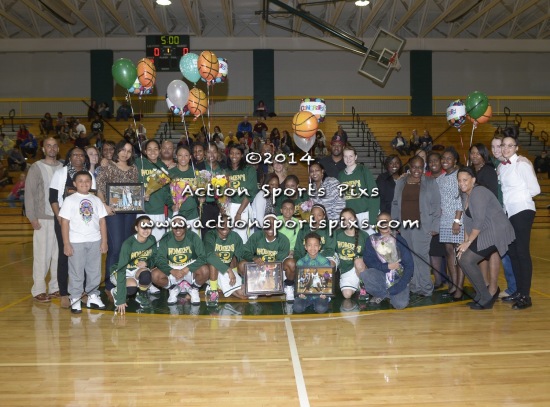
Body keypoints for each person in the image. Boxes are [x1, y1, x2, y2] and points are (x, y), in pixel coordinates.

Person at [456, 167, 516, 310]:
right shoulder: (465, 195)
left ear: (473, 180)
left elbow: (479, 221)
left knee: (466, 259)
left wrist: (469, 242)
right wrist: (465, 242)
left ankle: (486, 297)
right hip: (484, 230)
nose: (461, 183)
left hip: (497, 231)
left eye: (465, 180)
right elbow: (468, 222)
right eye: (459, 180)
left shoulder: (478, 192)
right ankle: (481, 295)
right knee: (462, 258)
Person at [498, 129, 540, 309]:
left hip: (522, 210)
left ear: (516, 148)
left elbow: (535, 189)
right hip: (510, 213)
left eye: (510, 145)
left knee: (522, 252)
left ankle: (526, 295)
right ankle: (518, 291)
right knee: (513, 252)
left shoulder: (522, 164)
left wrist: (519, 198)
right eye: (503, 145)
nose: (506, 148)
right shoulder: (502, 167)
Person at [50, 147, 95, 308]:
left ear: (85, 158)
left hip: (83, 222)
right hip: (64, 221)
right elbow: (53, 198)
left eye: (81, 155)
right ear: (69, 157)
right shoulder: (60, 173)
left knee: (82, 256)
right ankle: (64, 292)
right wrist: (60, 218)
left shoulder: (88, 175)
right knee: (65, 255)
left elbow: (93, 196)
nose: (78, 157)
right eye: (74, 154)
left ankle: (81, 291)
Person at [59, 171, 108, 314]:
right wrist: (66, 243)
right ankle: (75, 298)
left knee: (94, 271)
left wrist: (104, 241)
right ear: (74, 184)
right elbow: (65, 222)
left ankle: (93, 295)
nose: (84, 183)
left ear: (91, 183)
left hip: (95, 240)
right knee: (76, 271)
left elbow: (102, 221)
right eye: (80, 180)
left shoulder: (96, 200)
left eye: (87, 180)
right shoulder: (70, 200)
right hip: (76, 241)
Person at [392, 155, 441, 297]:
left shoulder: (430, 182)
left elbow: (436, 205)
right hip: (405, 226)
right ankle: (414, 286)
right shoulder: (401, 181)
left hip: (423, 226)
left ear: (424, 167)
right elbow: (395, 203)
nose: (417, 170)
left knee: (421, 256)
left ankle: (425, 287)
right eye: (414, 167)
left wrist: (434, 226)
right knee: (410, 257)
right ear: (409, 167)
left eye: (420, 167)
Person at [96, 141, 139, 296]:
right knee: (115, 248)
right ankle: (109, 285)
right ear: (117, 151)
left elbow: (135, 190)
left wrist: (142, 196)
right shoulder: (107, 167)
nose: (125, 153)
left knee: (126, 248)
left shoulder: (133, 169)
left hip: (130, 212)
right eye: (122, 150)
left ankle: (122, 280)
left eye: (128, 151)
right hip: (113, 212)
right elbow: (100, 188)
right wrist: (103, 205)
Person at [25, 137, 63, 303]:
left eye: (55, 145)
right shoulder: (36, 167)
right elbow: (30, 194)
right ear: (43, 149)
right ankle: (39, 289)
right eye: (48, 145)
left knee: (58, 255)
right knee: (42, 255)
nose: (52, 148)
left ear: (58, 148)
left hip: (61, 219)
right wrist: (32, 217)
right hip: (43, 218)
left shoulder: (63, 167)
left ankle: (55, 287)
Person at [151, 215, 210, 306]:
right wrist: (171, 270)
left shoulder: (193, 236)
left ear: (186, 226)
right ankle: (173, 288)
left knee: (205, 270)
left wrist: (187, 268)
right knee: (154, 275)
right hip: (173, 268)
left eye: (180, 224)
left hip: (189, 268)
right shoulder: (166, 238)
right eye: (175, 224)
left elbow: (203, 257)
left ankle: (193, 289)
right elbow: (159, 259)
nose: (177, 227)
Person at [360, 212, 414, 309]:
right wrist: (387, 266)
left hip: (398, 278)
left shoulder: (400, 240)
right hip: (382, 275)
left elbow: (409, 265)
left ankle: (384, 294)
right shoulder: (371, 240)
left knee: (400, 304)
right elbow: (368, 261)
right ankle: (385, 294)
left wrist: (400, 286)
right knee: (366, 274)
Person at [238, 214, 294, 302]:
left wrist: (270, 285)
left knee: (291, 263)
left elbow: (278, 263)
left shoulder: (284, 240)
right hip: (258, 269)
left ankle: (289, 287)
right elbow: (244, 251)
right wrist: (254, 258)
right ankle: (253, 288)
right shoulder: (256, 236)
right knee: (242, 265)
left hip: (276, 271)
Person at [111, 216, 157, 315]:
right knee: (131, 289)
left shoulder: (152, 239)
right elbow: (121, 270)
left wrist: (147, 263)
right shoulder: (128, 244)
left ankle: (141, 295)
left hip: (137, 270)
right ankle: (116, 291)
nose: (146, 230)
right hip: (123, 271)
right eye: (142, 227)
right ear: (136, 228)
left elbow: (155, 257)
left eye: (148, 227)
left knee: (146, 275)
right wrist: (121, 298)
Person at [490, 135, 516, 298]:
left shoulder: (512, 164)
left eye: (499, 146)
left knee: (507, 253)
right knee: (501, 253)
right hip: (495, 216)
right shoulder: (492, 165)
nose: (496, 150)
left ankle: (513, 288)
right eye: (492, 147)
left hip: (509, 214)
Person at [437, 147, 465, 301]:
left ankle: (460, 287)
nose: (445, 161)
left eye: (449, 158)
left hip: (457, 219)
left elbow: (461, 199)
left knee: (459, 254)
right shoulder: (440, 178)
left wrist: (457, 221)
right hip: (444, 219)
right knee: (449, 252)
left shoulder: (459, 175)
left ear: (455, 160)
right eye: (443, 158)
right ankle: (453, 284)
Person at [204, 214, 247, 300]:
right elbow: (209, 256)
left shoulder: (235, 237)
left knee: (244, 295)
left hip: (227, 271)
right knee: (213, 261)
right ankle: (213, 290)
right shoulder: (210, 235)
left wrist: (244, 280)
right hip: (211, 271)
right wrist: (228, 270)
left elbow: (241, 255)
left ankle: (231, 283)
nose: (225, 227)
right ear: (216, 225)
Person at [137, 140, 173, 242]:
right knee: (142, 242)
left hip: (158, 211)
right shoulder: (138, 163)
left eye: (155, 149)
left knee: (158, 242)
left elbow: (167, 191)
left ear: (160, 150)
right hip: (142, 211)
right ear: (144, 151)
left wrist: (171, 205)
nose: (152, 151)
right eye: (149, 149)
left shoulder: (163, 167)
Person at [338, 145, 380, 231]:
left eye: (351, 156)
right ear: (343, 157)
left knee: (370, 243)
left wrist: (372, 218)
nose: (348, 159)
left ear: (356, 157)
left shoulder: (363, 170)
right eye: (345, 156)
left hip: (365, 214)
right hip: (349, 217)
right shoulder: (340, 175)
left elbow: (374, 193)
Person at [226, 145, 258, 243]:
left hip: (243, 207)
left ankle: (244, 258)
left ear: (242, 155)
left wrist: (239, 213)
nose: (234, 156)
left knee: (243, 238)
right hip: (228, 207)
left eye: (237, 153)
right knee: (229, 238)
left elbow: (250, 192)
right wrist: (222, 208)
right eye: (231, 153)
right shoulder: (226, 171)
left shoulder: (249, 170)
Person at [293, 233, 331, 314]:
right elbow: (298, 281)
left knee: (321, 309)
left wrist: (326, 293)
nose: (312, 248)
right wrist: (299, 293)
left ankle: (324, 300)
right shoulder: (300, 262)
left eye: (315, 245)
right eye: (309, 245)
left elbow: (328, 279)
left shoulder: (325, 262)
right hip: (305, 295)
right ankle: (307, 302)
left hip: (319, 294)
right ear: (305, 247)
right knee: (297, 308)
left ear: (320, 247)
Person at [334, 208, 368, 299]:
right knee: (347, 295)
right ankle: (355, 286)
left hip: (361, 269)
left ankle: (363, 286)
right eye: (344, 219)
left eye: (350, 218)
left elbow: (369, 256)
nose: (347, 221)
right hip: (346, 271)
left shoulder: (364, 235)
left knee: (358, 261)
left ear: (355, 219)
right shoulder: (336, 234)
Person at [425, 152, 447, 289]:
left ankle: (452, 281)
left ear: (441, 161)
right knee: (434, 251)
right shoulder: (425, 177)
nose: (433, 164)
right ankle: (438, 280)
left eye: (436, 160)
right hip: (431, 219)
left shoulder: (449, 175)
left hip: (448, 219)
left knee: (450, 253)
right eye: (430, 161)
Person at [169, 145, 200, 236]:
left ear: (190, 157)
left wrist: (201, 197)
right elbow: (166, 194)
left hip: (192, 214)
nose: (183, 158)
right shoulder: (170, 173)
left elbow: (200, 191)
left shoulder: (196, 173)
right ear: (176, 156)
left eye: (186, 155)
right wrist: (172, 206)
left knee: (194, 243)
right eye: (180, 155)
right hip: (175, 213)